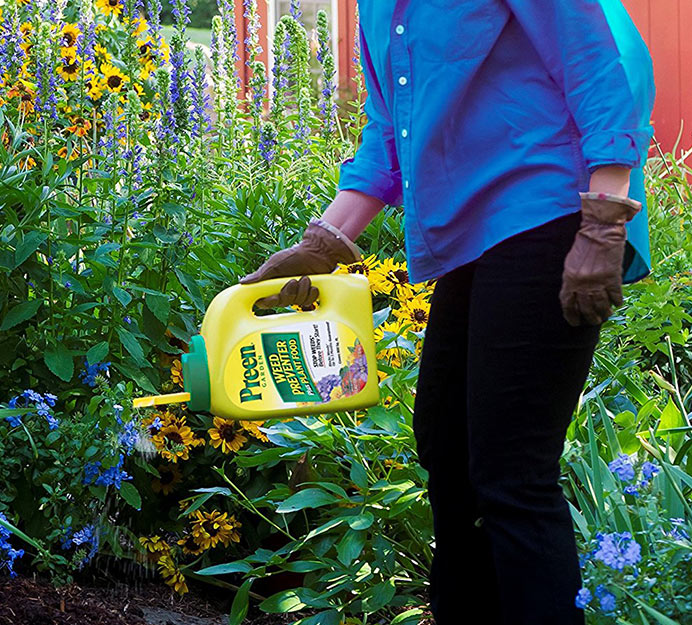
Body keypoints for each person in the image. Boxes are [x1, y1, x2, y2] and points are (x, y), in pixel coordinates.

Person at [239, 2, 655, 623]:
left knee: (512, 474)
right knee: (448, 454)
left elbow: (595, 66)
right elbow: (388, 133)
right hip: (468, 235)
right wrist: (321, 244)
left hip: (547, 213)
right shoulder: (378, 9)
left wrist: (604, 219)